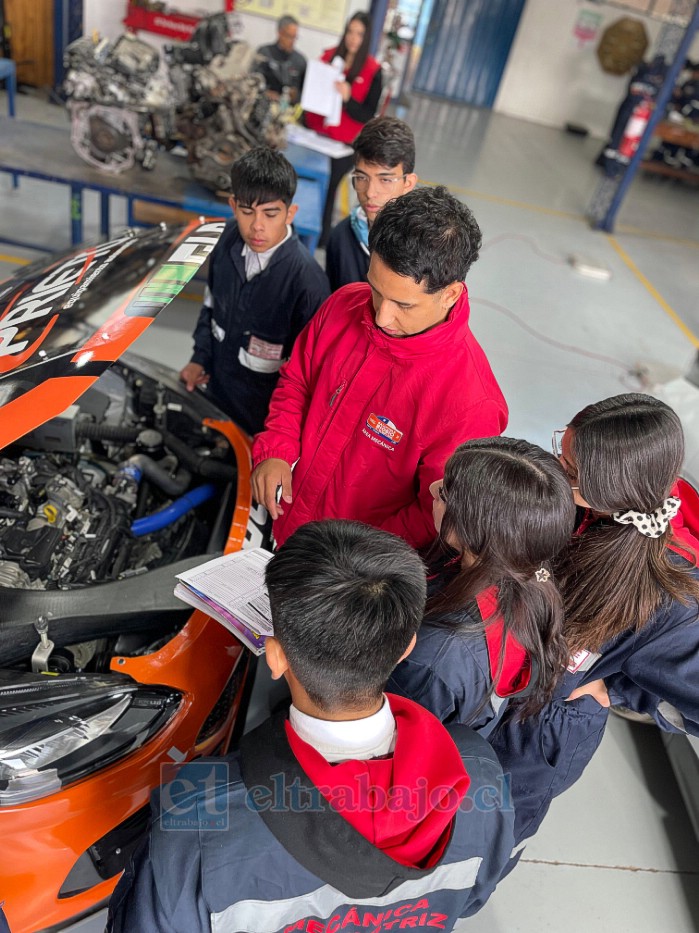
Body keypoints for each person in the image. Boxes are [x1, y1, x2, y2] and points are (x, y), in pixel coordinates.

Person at [107, 520, 515, 931]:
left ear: (276, 657)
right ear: (407, 646)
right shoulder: (480, 774)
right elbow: (473, 895)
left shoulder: (195, 810)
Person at [489, 394, 699, 855]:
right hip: (507, 694)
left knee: (486, 832)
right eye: (560, 453)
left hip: (534, 737)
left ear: (612, 486)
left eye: (569, 472)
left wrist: (616, 688)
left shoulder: (671, 596)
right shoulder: (585, 506)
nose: (557, 475)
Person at [251, 185, 508, 551]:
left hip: (348, 570)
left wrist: (352, 556)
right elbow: (297, 381)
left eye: (403, 305)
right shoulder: (344, 304)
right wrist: (276, 449)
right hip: (286, 523)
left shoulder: (471, 405)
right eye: (376, 290)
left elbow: (432, 514)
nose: (381, 316)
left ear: (450, 293)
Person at [388, 437, 576, 737]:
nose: (433, 489)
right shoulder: (530, 578)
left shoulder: (431, 657)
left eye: (446, 493)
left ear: (474, 529)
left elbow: (390, 736)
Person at [179, 146, 329, 437]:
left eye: (270, 214)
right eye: (247, 212)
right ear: (234, 206)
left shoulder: (308, 283)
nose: (257, 227)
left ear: (290, 213)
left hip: (262, 421)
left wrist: (278, 437)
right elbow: (211, 307)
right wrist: (200, 357)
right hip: (216, 395)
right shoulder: (225, 243)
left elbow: (307, 378)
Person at [303, 11, 383, 247]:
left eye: (359, 34)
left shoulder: (373, 70)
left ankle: (320, 239)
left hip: (344, 145)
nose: (353, 38)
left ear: (366, 37)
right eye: (350, 31)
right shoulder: (327, 57)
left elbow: (368, 114)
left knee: (327, 187)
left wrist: (348, 98)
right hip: (315, 136)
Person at [326, 115, 417, 291]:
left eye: (385, 180)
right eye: (361, 177)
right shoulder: (341, 238)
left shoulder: (429, 244)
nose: (370, 192)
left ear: (408, 183)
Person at [254, 14, 306, 104]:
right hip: (264, 104)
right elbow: (253, 81)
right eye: (289, 36)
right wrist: (265, 93)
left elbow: (304, 94)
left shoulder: (300, 61)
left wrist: (295, 96)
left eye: (295, 37)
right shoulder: (264, 53)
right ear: (280, 33)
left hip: (288, 110)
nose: (292, 41)